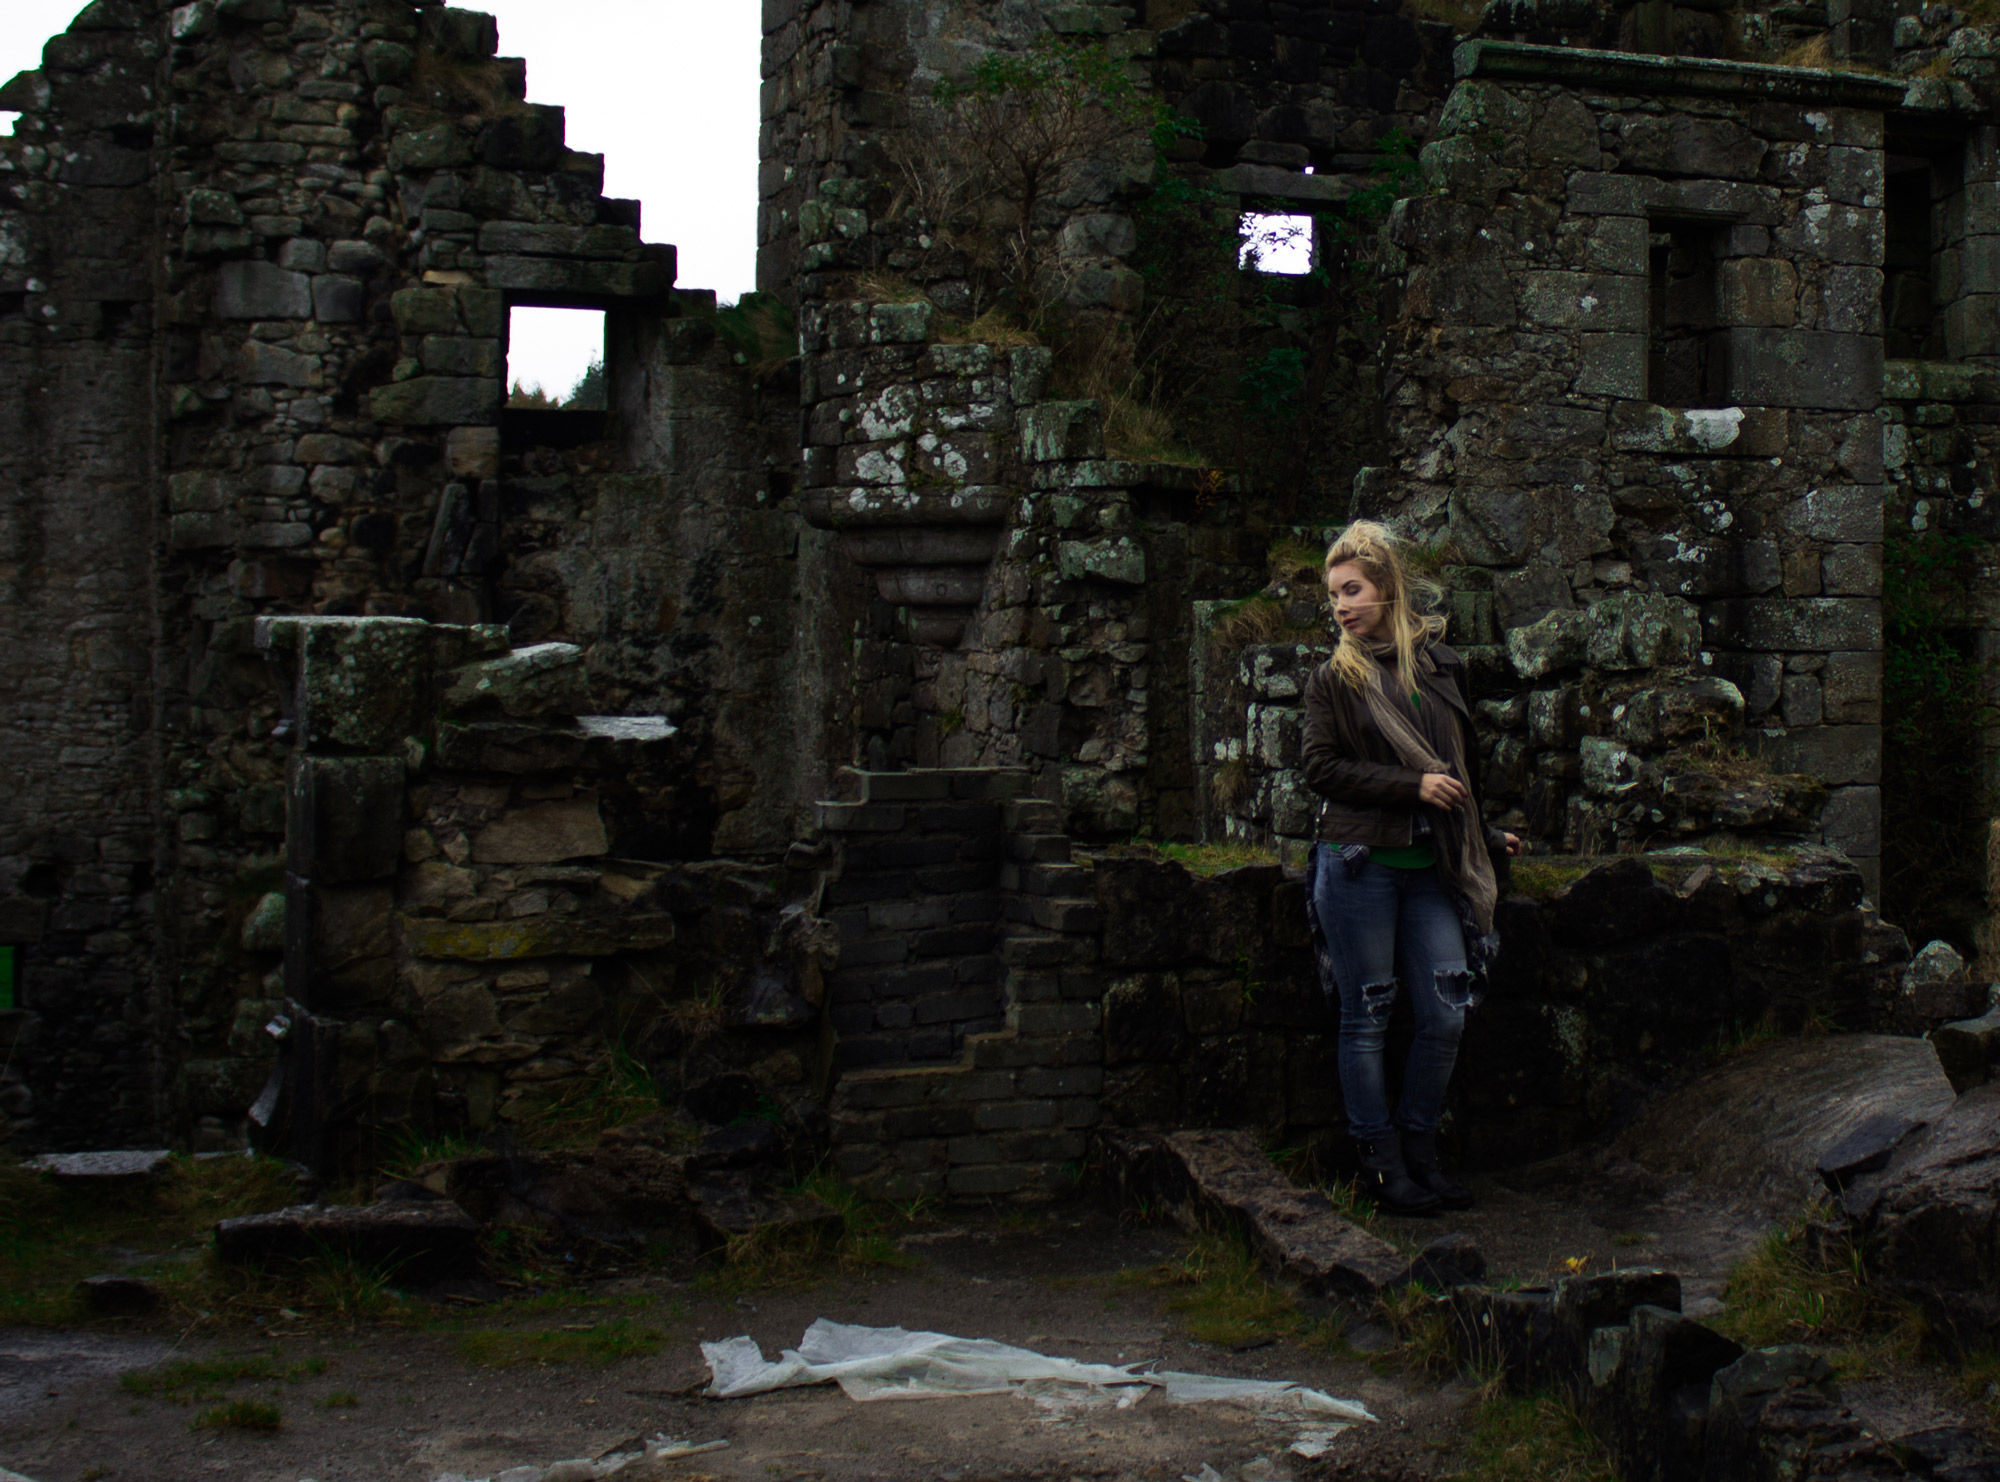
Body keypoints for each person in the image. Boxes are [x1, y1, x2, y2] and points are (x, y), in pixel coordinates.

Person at [1299, 521, 1522, 1216]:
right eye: (1334, 596)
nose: (1342, 606)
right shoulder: (1333, 678)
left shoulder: (1440, 665)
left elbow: (1455, 767)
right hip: (1360, 863)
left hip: (1434, 865)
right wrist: (1411, 789)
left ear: (1388, 588)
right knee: (1366, 1018)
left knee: (1447, 1013)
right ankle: (1382, 1164)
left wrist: (1480, 830)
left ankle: (1420, 1148)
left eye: (1353, 590)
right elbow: (1319, 769)